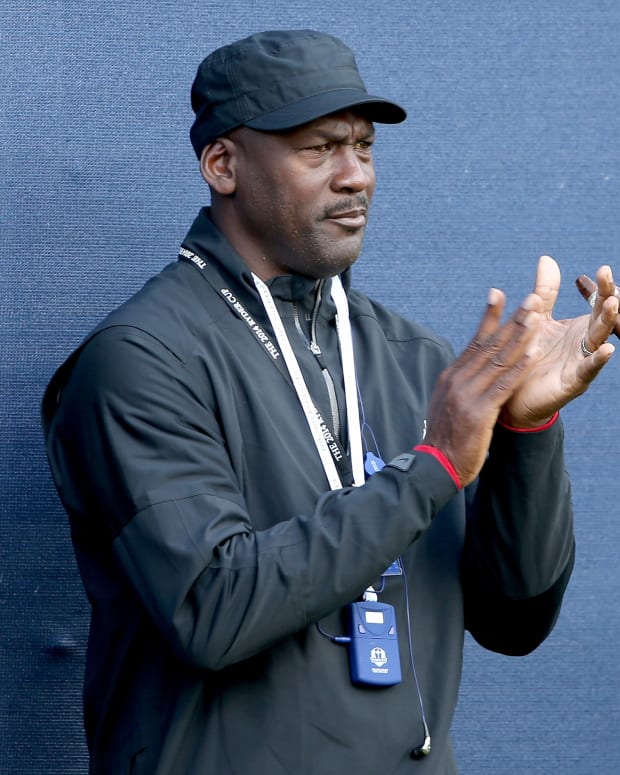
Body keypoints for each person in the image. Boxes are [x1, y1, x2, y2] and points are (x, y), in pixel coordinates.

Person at [41, 29, 619, 775]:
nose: (356, 176)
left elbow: (515, 618)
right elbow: (210, 610)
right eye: (318, 149)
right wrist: (434, 463)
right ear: (223, 164)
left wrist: (525, 428)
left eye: (365, 147)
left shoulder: (413, 357)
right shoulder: (141, 357)